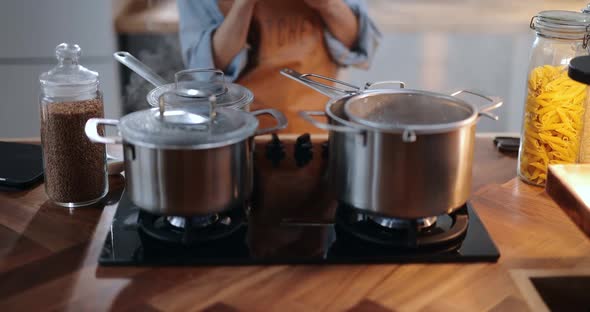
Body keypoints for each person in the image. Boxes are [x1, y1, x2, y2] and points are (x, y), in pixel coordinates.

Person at [177, 0, 380, 133]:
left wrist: (327, 4)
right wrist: (243, 5)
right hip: (239, 137)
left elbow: (358, 47)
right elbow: (205, 72)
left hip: (319, 131)